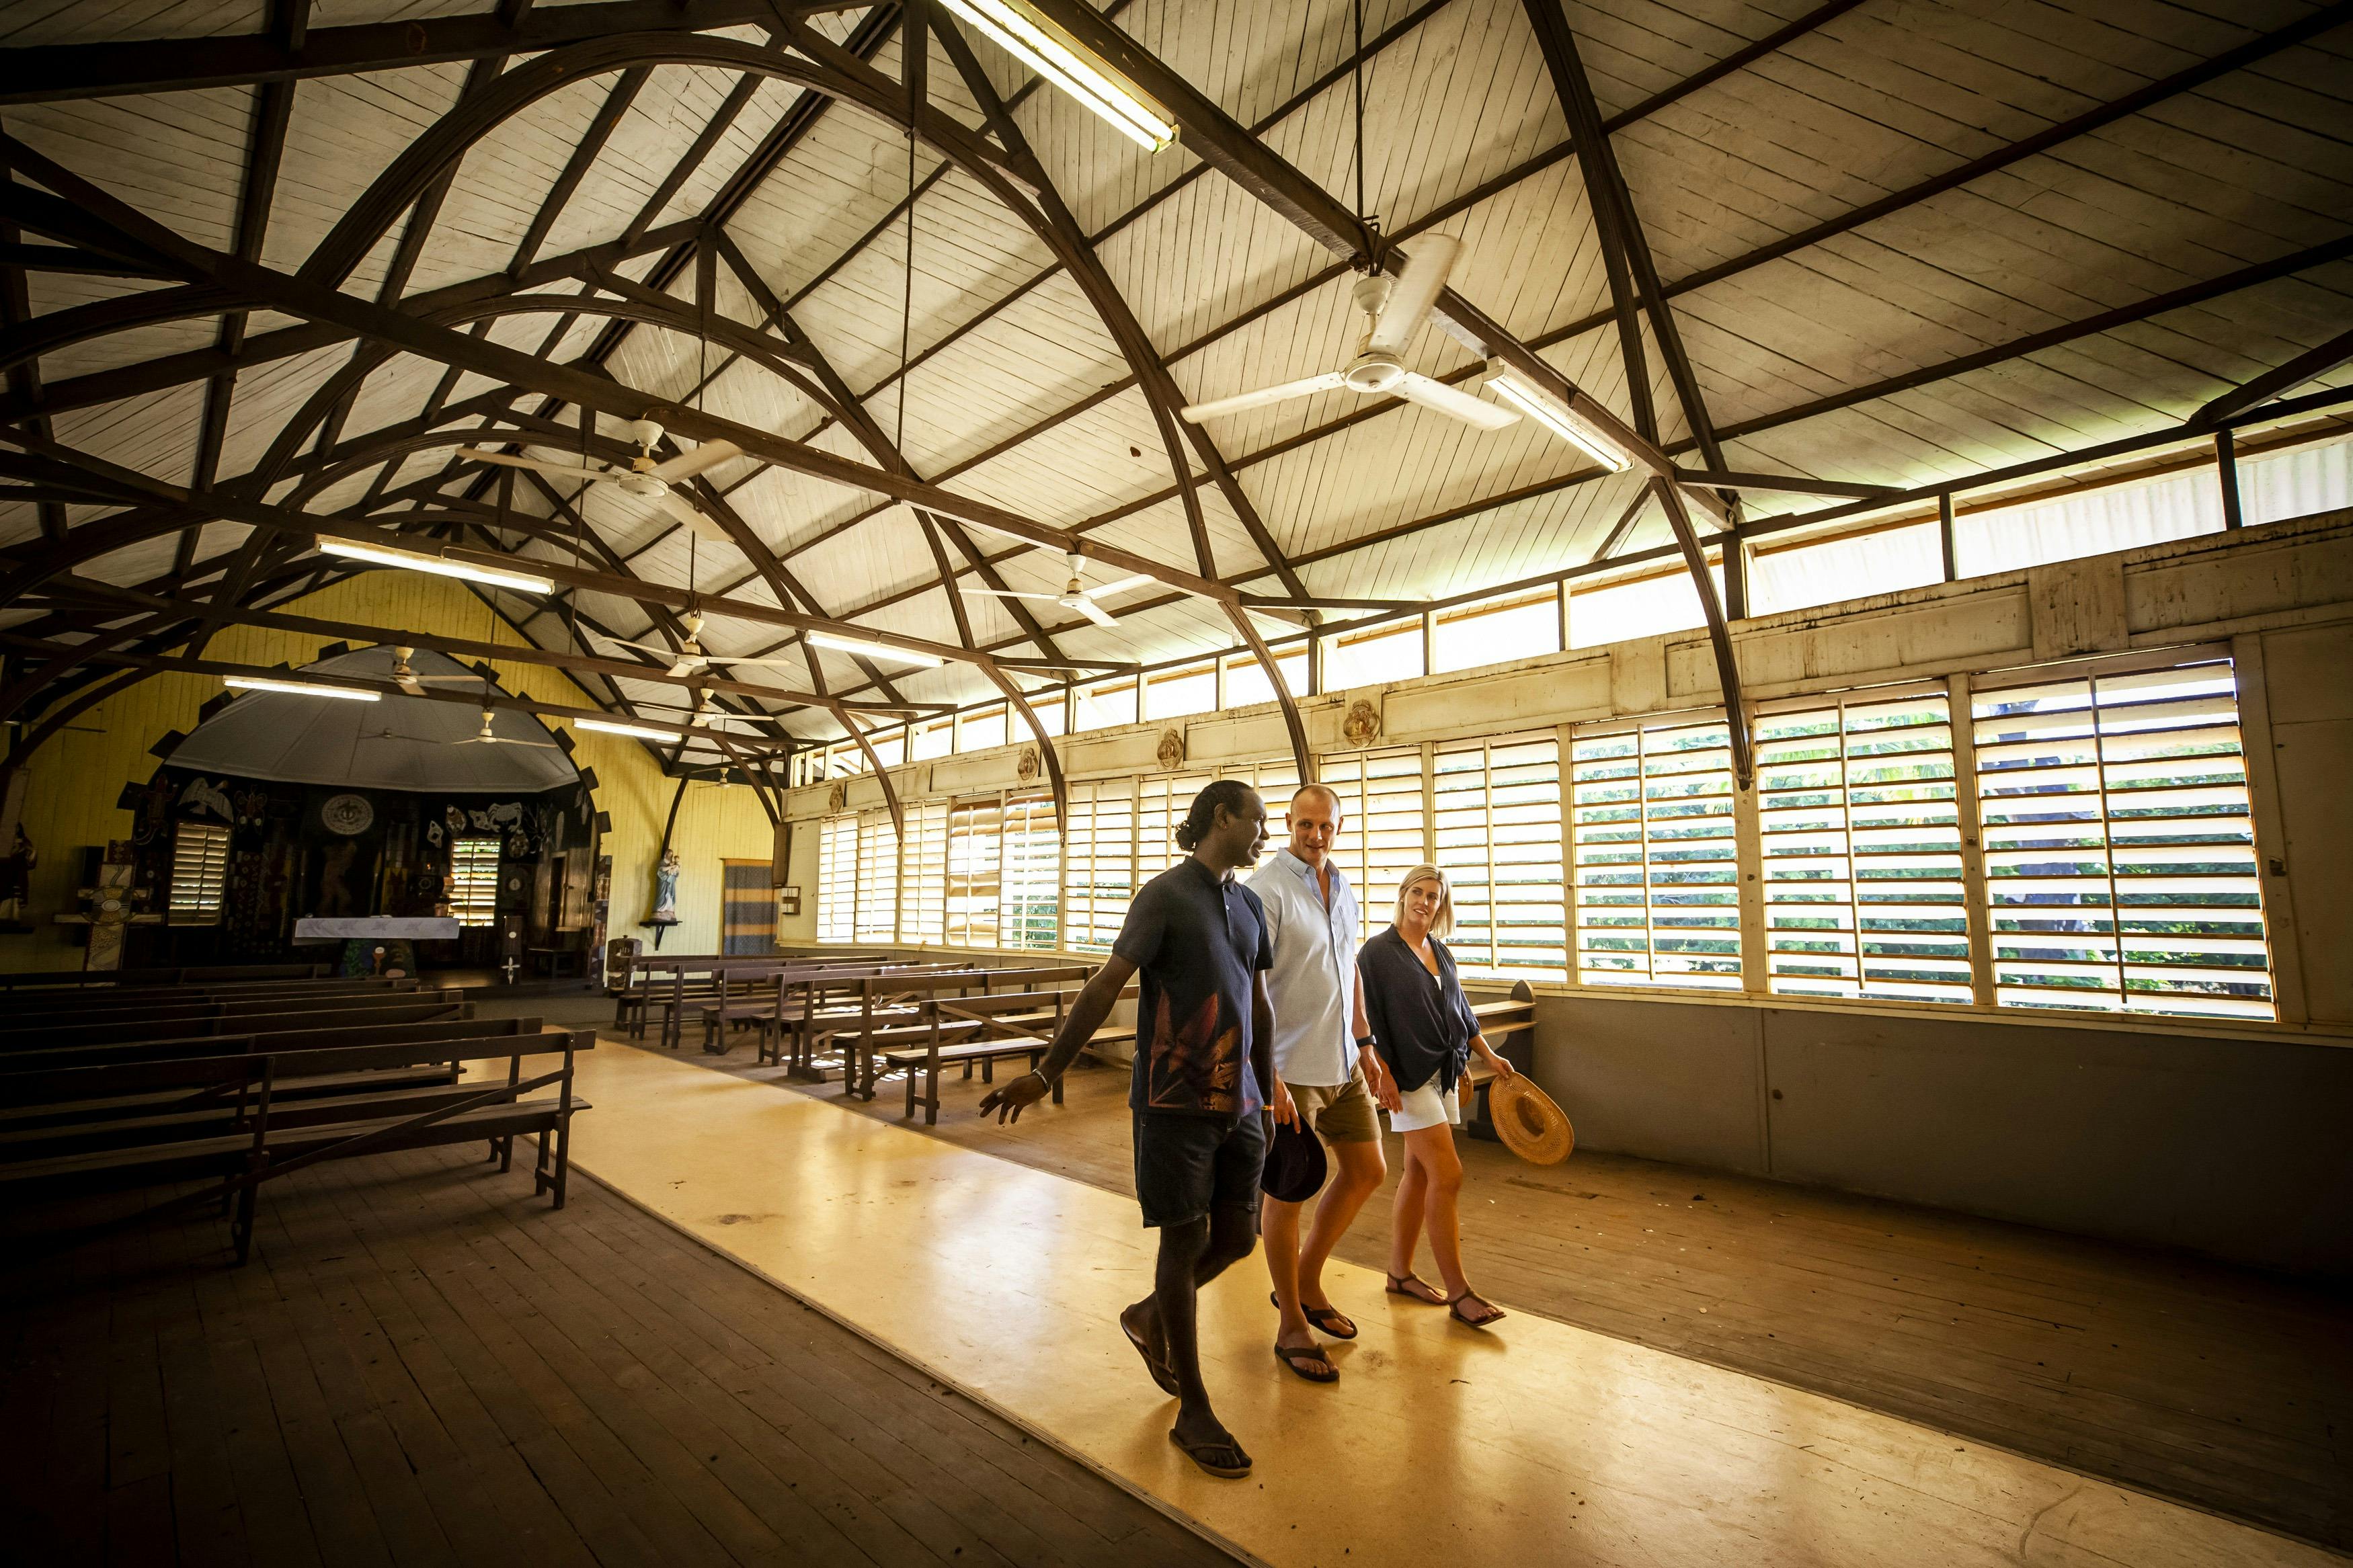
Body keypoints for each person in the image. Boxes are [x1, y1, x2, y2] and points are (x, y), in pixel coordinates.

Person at [979, 780, 1287, 1479]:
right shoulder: (1164, 896)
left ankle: (1149, 1317)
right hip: (1174, 1103)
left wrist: (1265, 1101)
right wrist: (1049, 1070)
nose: (1262, 833)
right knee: (1183, 1241)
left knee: (1239, 1236)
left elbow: (1259, 1007)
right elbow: (1105, 983)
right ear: (1221, 818)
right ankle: (1195, 1406)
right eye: (1257, 820)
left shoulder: (1245, 905)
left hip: (1239, 1105)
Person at [1246, 784, 1396, 1383]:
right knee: (1286, 1193)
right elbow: (1245, 986)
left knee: (1368, 1170)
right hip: (1289, 1070)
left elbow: (1348, 964)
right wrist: (1269, 1074)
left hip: (1342, 1064)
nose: (1316, 836)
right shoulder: (1266, 891)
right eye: (1305, 825)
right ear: (1289, 823)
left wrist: (1365, 1043)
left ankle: (1305, 1284)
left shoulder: (1344, 887)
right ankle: (1291, 1326)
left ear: (1339, 825)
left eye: (1326, 826)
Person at [1357, 864, 1517, 1329]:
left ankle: (1400, 1273)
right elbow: (1365, 1017)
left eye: (1434, 896)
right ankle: (1460, 1291)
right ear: (1404, 895)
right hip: (1406, 1077)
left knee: (1419, 1174)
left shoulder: (1439, 951)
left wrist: (1487, 1055)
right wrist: (1379, 1070)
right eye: (1418, 892)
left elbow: (1460, 1009)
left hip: (1443, 1071)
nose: (1425, 901)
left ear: (1441, 904)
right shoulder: (1377, 952)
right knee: (1448, 1173)